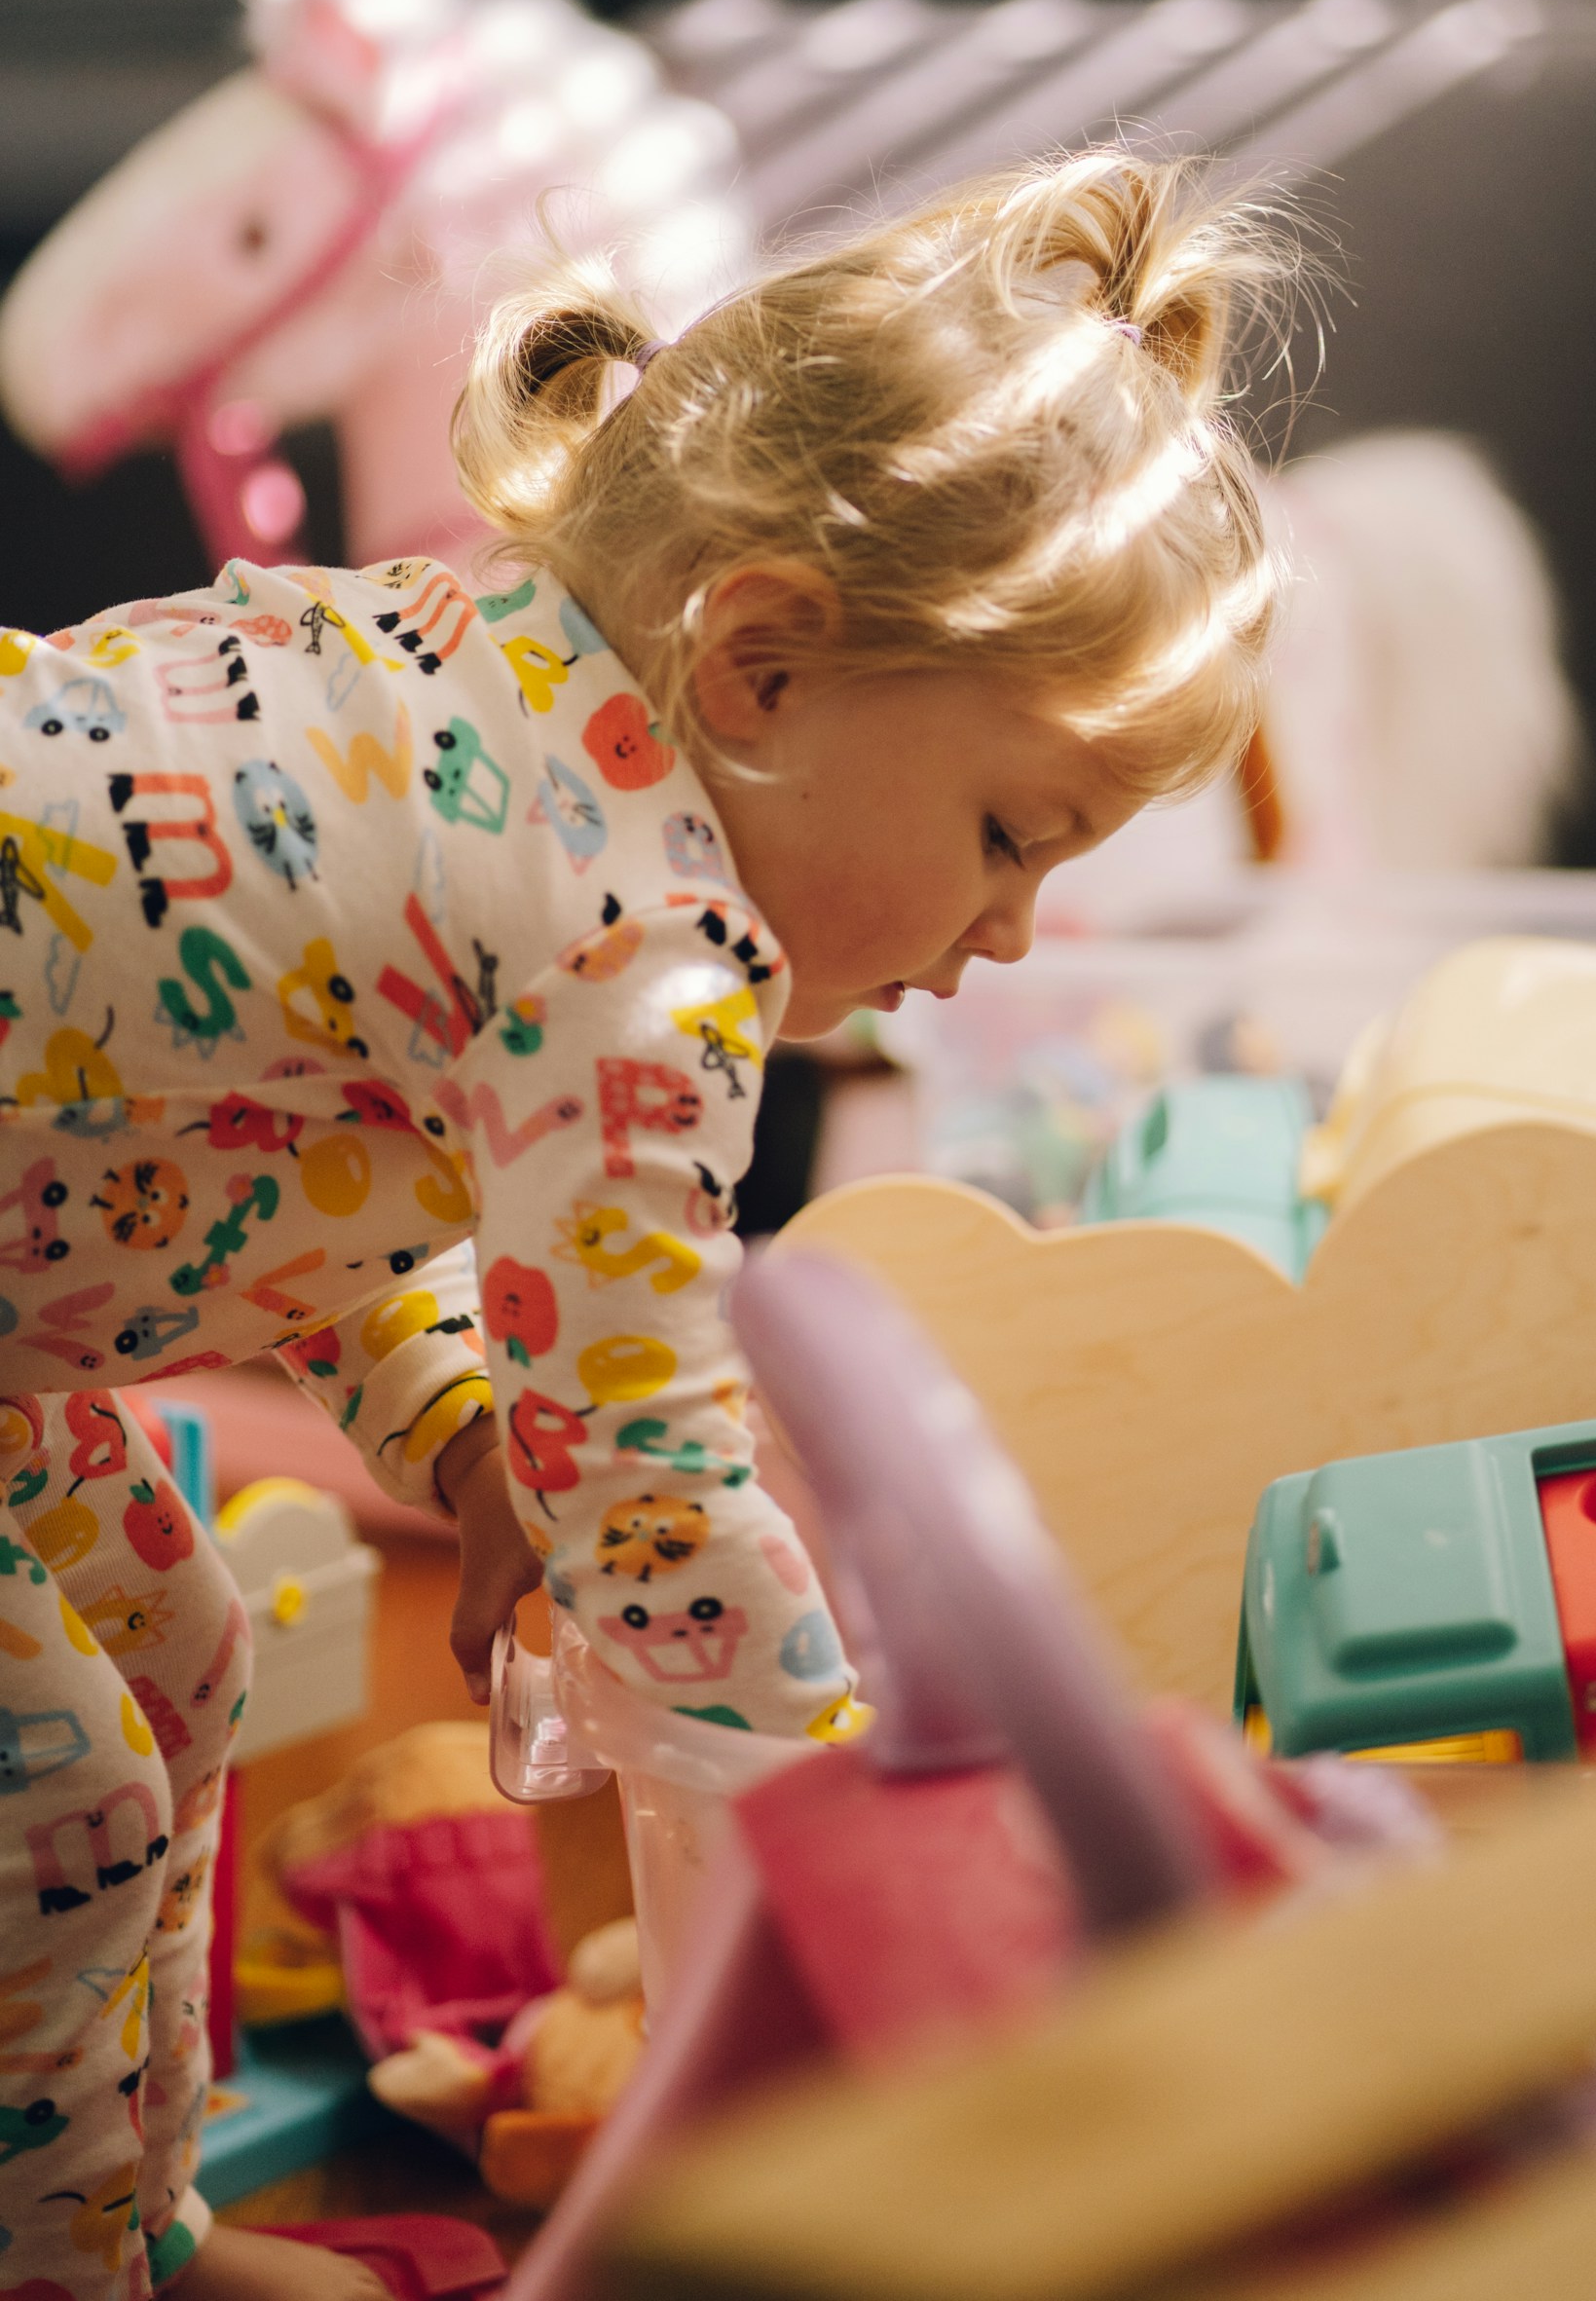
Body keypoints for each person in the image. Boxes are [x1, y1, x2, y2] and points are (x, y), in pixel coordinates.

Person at [0, 151, 1293, 2301]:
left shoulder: (472, 676)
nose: (1009, 934)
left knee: (178, 1647)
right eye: (1008, 833)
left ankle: (129, 2223)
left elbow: (246, 1170)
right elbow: (648, 1469)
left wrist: (466, 1435)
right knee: (62, 1808)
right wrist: (843, 1804)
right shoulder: (641, 938)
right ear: (761, 667)